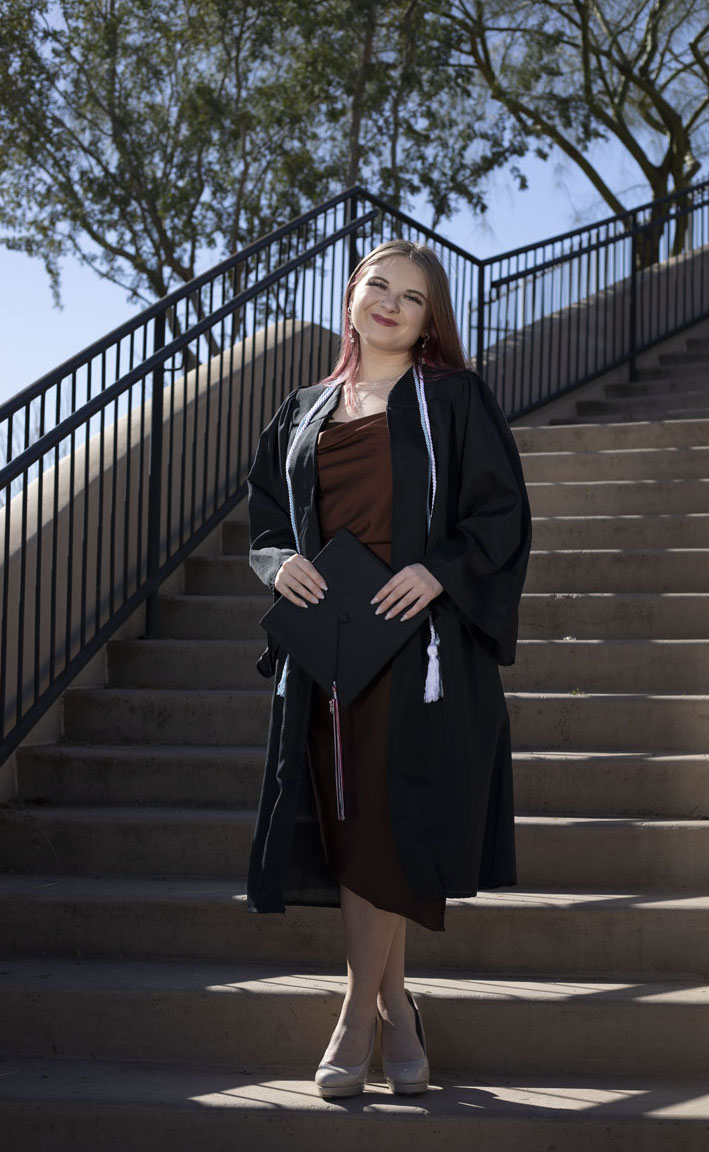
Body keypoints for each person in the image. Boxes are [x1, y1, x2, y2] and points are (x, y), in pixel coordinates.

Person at [246, 238, 531, 1098]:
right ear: (352, 297)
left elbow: (502, 512)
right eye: (379, 285)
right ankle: (399, 1009)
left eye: (413, 295)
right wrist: (275, 564)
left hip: (418, 646)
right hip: (331, 650)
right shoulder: (304, 409)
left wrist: (438, 568)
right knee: (357, 828)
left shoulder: (453, 399)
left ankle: (353, 1017)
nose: (392, 303)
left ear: (429, 317)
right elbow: (267, 517)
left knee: (384, 826)